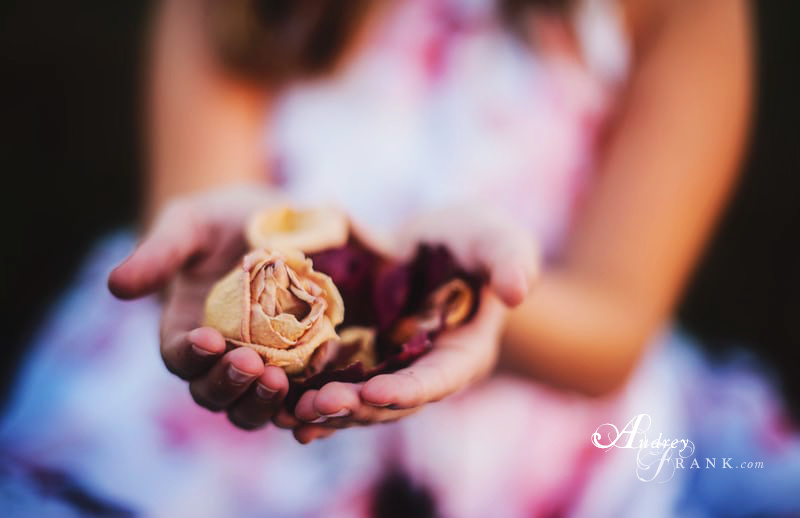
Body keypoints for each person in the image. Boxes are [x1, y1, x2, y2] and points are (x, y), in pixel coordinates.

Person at [6, 0, 797, 516]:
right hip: (216, 472)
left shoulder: (677, 15)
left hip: (536, 446)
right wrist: (227, 259)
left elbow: (614, 326)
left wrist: (465, 297)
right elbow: (195, 211)